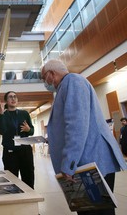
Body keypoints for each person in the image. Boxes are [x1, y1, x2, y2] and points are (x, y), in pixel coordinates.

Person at [41, 59, 127, 215]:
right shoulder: (66, 86)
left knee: (96, 212)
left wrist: (69, 163)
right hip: (88, 158)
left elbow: (76, 124)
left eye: (43, 77)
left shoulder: (73, 82)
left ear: (51, 74)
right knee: (90, 210)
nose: (44, 82)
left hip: (91, 159)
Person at [0, 91, 35, 189]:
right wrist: (1, 115)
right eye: (10, 97)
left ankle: (29, 199)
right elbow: (1, 131)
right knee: (11, 182)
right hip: (10, 153)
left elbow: (32, 131)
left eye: (15, 97)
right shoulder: (2, 115)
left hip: (25, 151)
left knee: (28, 179)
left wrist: (28, 129)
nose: (13, 99)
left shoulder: (24, 113)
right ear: (6, 101)